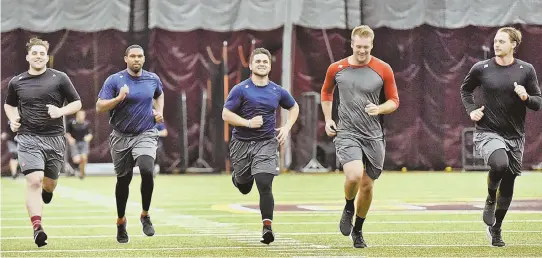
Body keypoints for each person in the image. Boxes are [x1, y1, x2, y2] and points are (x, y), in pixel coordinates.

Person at [460, 27, 541, 247]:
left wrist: (525, 97)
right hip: (488, 131)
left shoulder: (526, 70)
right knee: (499, 164)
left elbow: (537, 102)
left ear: (514, 44)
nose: (497, 45)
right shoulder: (481, 68)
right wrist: (471, 111)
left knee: (509, 183)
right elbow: (465, 90)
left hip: (515, 136)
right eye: (495, 41)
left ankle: (496, 229)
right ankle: (489, 197)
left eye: (502, 41)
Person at [320, 25, 399, 248]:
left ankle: (359, 230)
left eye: (366, 47)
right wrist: (328, 119)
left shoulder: (383, 69)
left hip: (373, 135)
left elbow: (394, 100)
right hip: (347, 132)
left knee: (367, 186)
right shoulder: (336, 68)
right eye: (358, 46)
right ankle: (348, 206)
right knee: (354, 175)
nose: (362, 51)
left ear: (371, 45)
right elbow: (326, 92)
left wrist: (380, 109)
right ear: (352, 44)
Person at [3, 37, 82, 247]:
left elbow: (77, 102)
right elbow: (9, 105)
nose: (38, 56)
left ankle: (48, 192)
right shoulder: (17, 82)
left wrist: (60, 111)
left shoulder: (60, 78)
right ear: (28, 56)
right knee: (34, 181)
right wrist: (13, 119)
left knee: (49, 184)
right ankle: (37, 227)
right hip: (28, 137)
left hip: (55, 138)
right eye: (34, 53)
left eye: (42, 53)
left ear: (47, 57)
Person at [222, 47, 299, 245]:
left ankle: (267, 227)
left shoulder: (277, 90)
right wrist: (248, 123)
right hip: (242, 144)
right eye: (258, 61)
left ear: (270, 66)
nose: (262, 64)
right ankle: (238, 179)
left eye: (265, 61)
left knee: (264, 183)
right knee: (245, 187)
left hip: (266, 143)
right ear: (250, 64)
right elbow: (226, 114)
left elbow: (293, 106)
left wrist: (287, 127)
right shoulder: (240, 89)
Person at [96, 44, 164, 244]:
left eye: (140, 56)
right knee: (123, 181)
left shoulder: (152, 79)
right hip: (121, 136)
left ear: (144, 58)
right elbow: (100, 106)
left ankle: (145, 215)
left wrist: (159, 112)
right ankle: (121, 221)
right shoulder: (115, 80)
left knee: (146, 169)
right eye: (133, 56)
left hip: (146, 132)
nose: (136, 59)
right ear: (125, 58)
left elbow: (159, 94)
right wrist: (119, 98)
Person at [66, 110, 93, 179]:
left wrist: (88, 137)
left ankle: (82, 173)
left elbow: (90, 134)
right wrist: (70, 139)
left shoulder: (87, 124)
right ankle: (74, 170)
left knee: (84, 158)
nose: (82, 116)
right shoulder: (71, 123)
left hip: (83, 143)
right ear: (77, 115)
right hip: (74, 143)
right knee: (76, 160)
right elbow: (67, 133)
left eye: (83, 115)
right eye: (80, 115)